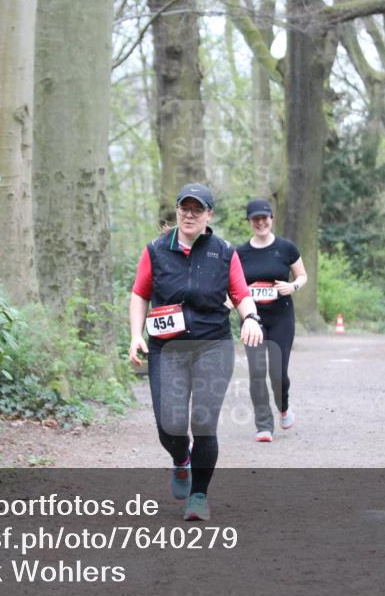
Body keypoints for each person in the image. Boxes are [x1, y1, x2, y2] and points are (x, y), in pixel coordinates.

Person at [128, 183, 264, 521]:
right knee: (169, 425)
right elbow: (140, 293)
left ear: (209, 215)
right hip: (167, 348)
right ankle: (180, 459)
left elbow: (240, 293)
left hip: (212, 345)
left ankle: (199, 496)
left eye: (197, 209)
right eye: (184, 208)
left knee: (203, 421)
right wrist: (135, 335)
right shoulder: (156, 250)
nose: (189, 214)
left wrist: (251, 317)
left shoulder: (223, 251)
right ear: (177, 211)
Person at [236, 198, 307, 442]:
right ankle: (263, 425)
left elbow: (302, 275)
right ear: (249, 222)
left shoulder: (286, 248)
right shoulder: (239, 253)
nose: (260, 222)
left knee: (278, 373)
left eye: (264, 217)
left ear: (271, 219)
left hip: (281, 318)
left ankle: (284, 406)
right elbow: (233, 287)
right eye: (255, 218)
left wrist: (293, 286)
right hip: (252, 320)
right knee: (257, 371)